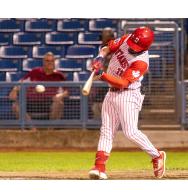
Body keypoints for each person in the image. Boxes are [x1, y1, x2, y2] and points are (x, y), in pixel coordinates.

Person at [88, 26, 166, 180]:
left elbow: (123, 83)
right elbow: (106, 48)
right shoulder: (127, 38)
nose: (131, 48)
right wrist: (99, 58)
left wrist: (102, 74)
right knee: (106, 131)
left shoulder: (141, 62)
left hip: (129, 94)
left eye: (136, 47)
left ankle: (157, 156)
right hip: (111, 92)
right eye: (132, 43)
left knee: (130, 132)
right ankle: (99, 167)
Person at [9, 52, 69, 129]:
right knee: (15, 106)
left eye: (52, 61)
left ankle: (50, 130)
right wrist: (15, 90)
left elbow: (67, 92)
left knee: (59, 103)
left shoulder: (59, 75)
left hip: (48, 103)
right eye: (47, 61)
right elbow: (22, 82)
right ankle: (32, 129)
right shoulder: (35, 72)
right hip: (31, 102)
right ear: (43, 62)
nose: (50, 63)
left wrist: (61, 95)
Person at [91, 28, 115, 119]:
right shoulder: (102, 50)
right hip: (104, 85)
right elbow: (98, 68)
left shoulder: (117, 49)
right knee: (96, 106)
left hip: (116, 84)